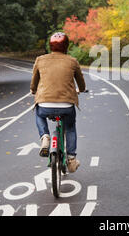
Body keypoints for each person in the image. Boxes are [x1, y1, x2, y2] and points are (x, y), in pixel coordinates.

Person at [30, 32, 86, 173]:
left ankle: (45, 137)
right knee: (70, 127)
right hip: (66, 106)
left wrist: (33, 90)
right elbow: (81, 83)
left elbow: (34, 82)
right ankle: (71, 160)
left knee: (39, 114)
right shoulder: (72, 61)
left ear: (50, 46)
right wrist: (81, 89)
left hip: (45, 105)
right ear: (66, 46)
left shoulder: (40, 60)